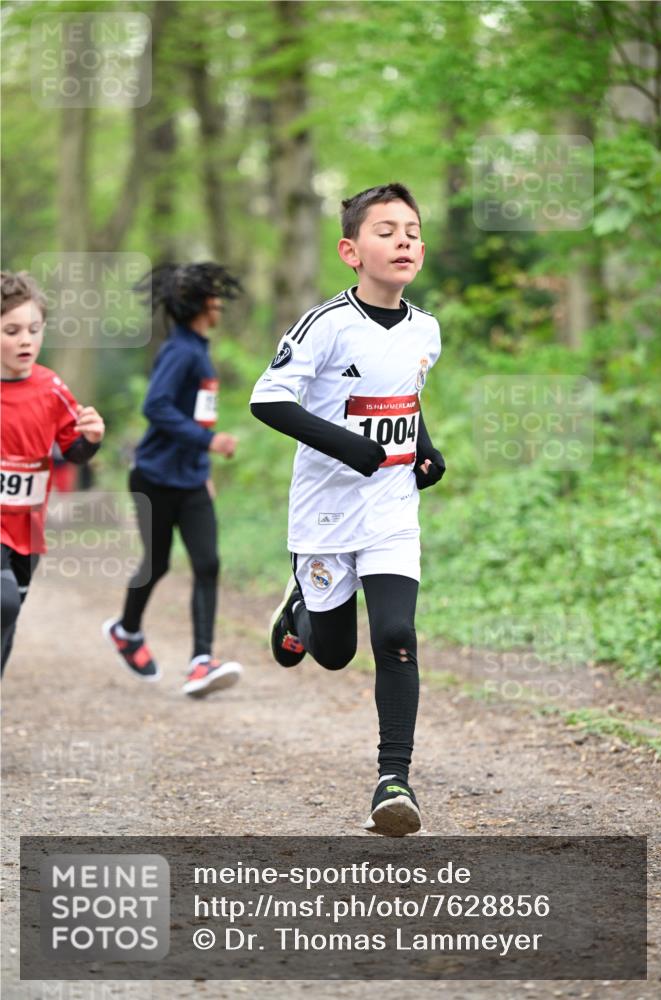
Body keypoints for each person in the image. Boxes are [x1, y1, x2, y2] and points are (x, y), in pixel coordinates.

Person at [250, 183, 445, 836]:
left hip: (390, 512)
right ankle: (301, 607)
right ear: (349, 250)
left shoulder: (426, 330)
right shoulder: (324, 325)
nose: (403, 242)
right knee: (331, 654)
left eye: (412, 231)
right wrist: (347, 446)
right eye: (386, 231)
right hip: (325, 518)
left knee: (394, 636)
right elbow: (267, 400)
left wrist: (424, 447)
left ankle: (393, 782)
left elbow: (403, 398)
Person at [103, 263, 243, 698]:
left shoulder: (197, 349)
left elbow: (191, 410)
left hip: (190, 481)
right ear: (204, 303)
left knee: (208, 563)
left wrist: (202, 470)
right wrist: (209, 441)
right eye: (216, 296)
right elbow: (157, 407)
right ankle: (127, 631)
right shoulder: (181, 352)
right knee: (157, 562)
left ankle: (201, 661)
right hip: (154, 478)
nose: (220, 304)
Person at [1, 271, 105, 672]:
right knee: (4, 601)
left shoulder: (51, 387)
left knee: (9, 613)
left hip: (28, 526)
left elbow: (73, 452)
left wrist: (91, 438)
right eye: (11, 330)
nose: (26, 339)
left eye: (34, 329)